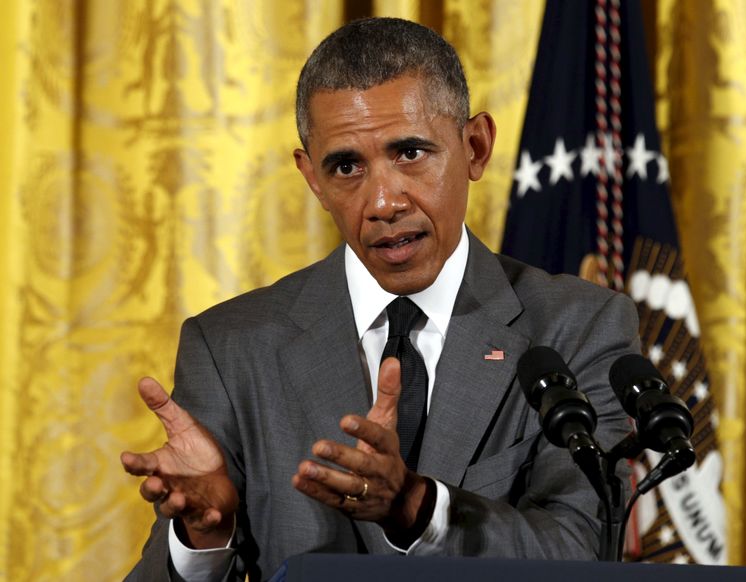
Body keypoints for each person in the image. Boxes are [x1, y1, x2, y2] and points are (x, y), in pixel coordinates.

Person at [121, 17, 639, 581]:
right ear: (312, 178)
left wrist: (418, 509)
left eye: (411, 153)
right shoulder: (231, 349)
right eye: (347, 166)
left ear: (475, 147)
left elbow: (583, 549)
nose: (384, 202)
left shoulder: (578, 328)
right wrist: (203, 536)